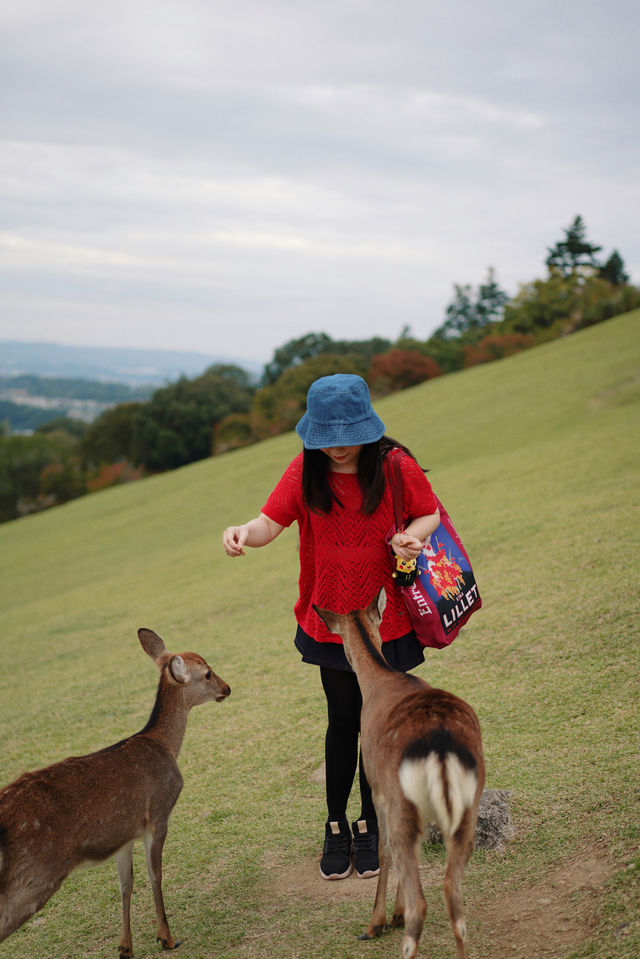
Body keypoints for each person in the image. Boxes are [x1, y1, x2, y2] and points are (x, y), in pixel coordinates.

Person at [222, 373, 440, 881]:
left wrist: (410, 536)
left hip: (388, 620)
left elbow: (428, 514)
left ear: (367, 427)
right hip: (331, 621)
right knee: (344, 720)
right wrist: (240, 534)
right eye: (326, 436)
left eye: (347, 435)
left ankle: (371, 822)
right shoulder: (305, 470)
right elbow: (268, 524)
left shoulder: (394, 466)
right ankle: (336, 822)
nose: (337, 447)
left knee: (377, 722)